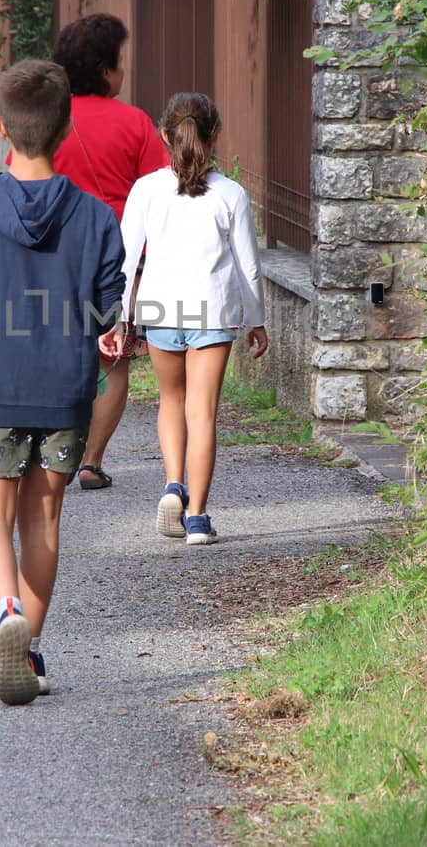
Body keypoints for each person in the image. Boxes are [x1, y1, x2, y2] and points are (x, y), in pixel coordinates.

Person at [0, 59, 125, 705]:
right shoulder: (98, 217)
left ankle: (6, 609)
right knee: (42, 523)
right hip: (64, 392)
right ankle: (32, 646)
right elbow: (108, 310)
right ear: (66, 128)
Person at [101, 92, 268, 546]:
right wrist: (256, 320)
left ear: (163, 136)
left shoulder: (147, 190)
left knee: (171, 402)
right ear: (215, 136)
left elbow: (124, 257)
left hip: (159, 308)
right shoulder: (230, 194)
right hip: (212, 309)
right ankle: (196, 517)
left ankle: (173, 483)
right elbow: (249, 266)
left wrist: (118, 319)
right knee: (203, 413)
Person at [46, 14, 170, 490]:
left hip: (54, 256)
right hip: (117, 258)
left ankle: (53, 452)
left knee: (56, 354)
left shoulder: (49, 116)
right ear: (103, 67)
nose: (125, 71)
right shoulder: (135, 122)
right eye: (120, 62)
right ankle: (91, 461)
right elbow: (160, 191)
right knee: (111, 359)